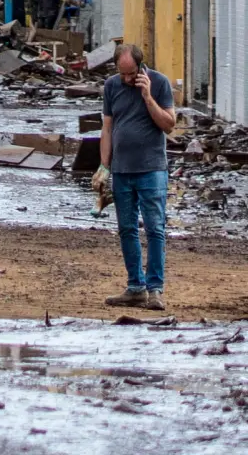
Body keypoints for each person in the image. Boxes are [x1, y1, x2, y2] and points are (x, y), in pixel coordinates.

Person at [99, 44, 175, 311]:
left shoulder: (160, 83)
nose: (127, 79)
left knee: (155, 229)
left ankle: (155, 289)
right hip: (121, 170)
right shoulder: (111, 86)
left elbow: (168, 124)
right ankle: (135, 287)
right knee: (127, 229)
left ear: (141, 68)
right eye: (123, 74)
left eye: (131, 74)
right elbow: (107, 128)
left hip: (152, 169)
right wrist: (103, 167)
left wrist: (147, 96)